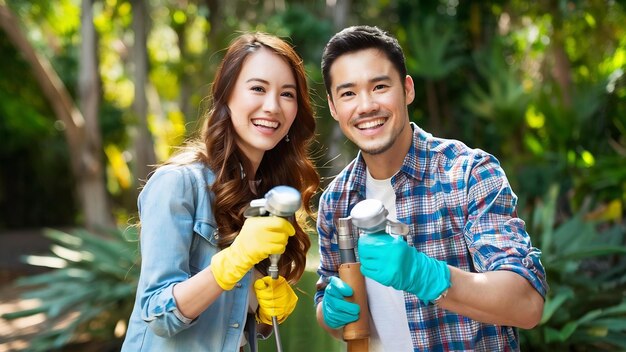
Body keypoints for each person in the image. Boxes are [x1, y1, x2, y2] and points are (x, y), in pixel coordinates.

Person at [314, 25, 548, 351]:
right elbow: (328, 304)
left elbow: (527, 304)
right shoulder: (335, 202)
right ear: (334, 107)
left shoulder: (468, 174)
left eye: (379, 86)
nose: (365, 105)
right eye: (348, 93)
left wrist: (425, 275)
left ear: (407, 89)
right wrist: (330, 313)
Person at [121, 32, 320, 351]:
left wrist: (265, 311)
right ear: (226, 96)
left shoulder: (266, 193)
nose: (272, 106)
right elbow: (157, 315)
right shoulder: (177, 183)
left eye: (287, 94)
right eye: (258, 88)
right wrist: (233, 261)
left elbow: (232, 320)